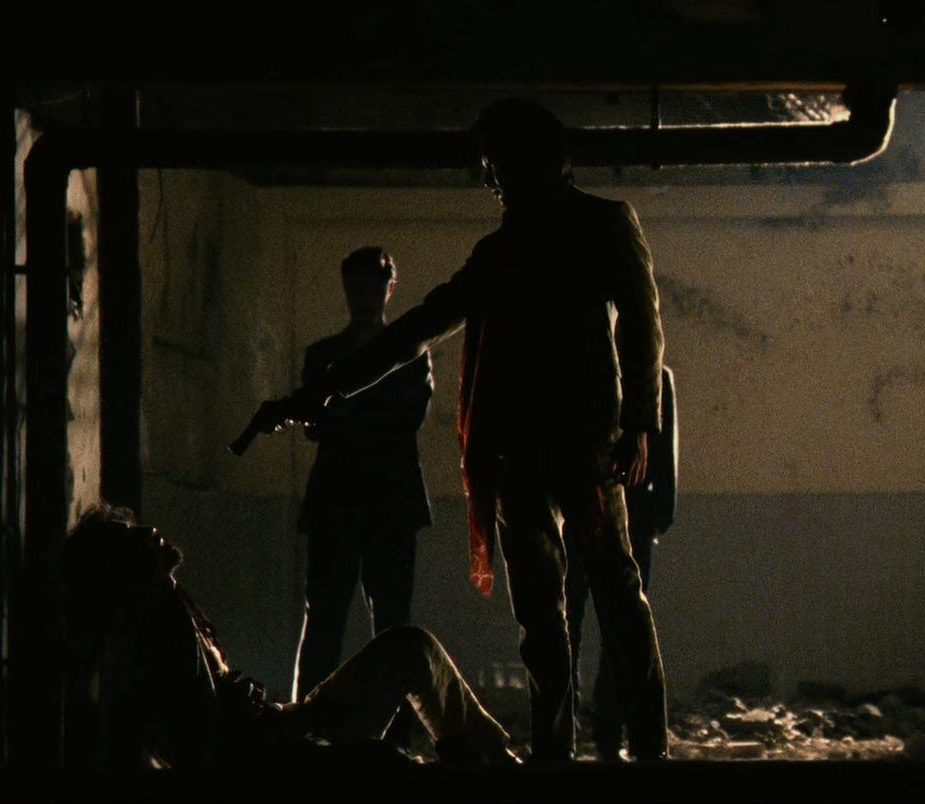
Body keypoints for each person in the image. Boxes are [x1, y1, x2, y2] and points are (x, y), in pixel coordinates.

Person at [263, 98, 669, 762]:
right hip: (530, 456)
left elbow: (643, 330)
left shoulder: (580, 231)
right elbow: (416, 331)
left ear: (534, 162)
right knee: (553, 613)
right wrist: (324, 391)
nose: (491, 179)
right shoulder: (512, 249)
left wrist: (639, 425)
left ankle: (638, 750)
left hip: (574, 449)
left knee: (607, 599)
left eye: (497, 165)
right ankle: (566, 754)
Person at [58, 505, 517, 769]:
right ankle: (487, 766)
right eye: (133, 536)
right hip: (272, 754)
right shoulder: (154, 625)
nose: (148, 530)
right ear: (124, 571)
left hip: (281, 727)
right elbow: (209, 743)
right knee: (392, 760)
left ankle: (493, 758)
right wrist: (299, 743)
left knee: (409, 647)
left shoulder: (170, 606)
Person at [291, 247, 435, 703]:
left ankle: (310, 724)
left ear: (388, 289)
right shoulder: (411, 356)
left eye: (372, 287)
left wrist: (344, 416)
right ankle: (381, 729)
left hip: (348, 501)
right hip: (383, 502)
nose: (365, 296)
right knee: (374, 623)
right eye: (359, 287)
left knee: (337, 621)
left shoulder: (326, 358)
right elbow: (400, 420)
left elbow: (322, 422)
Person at [566, 365, 676, 760]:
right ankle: (608, 728)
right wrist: (660, 513)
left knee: (574, 619)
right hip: (629, 519)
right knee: (621, 624)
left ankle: (573, 727)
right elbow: (665, 452)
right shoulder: (654, 378)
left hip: (587, 513)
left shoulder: (584, 372)